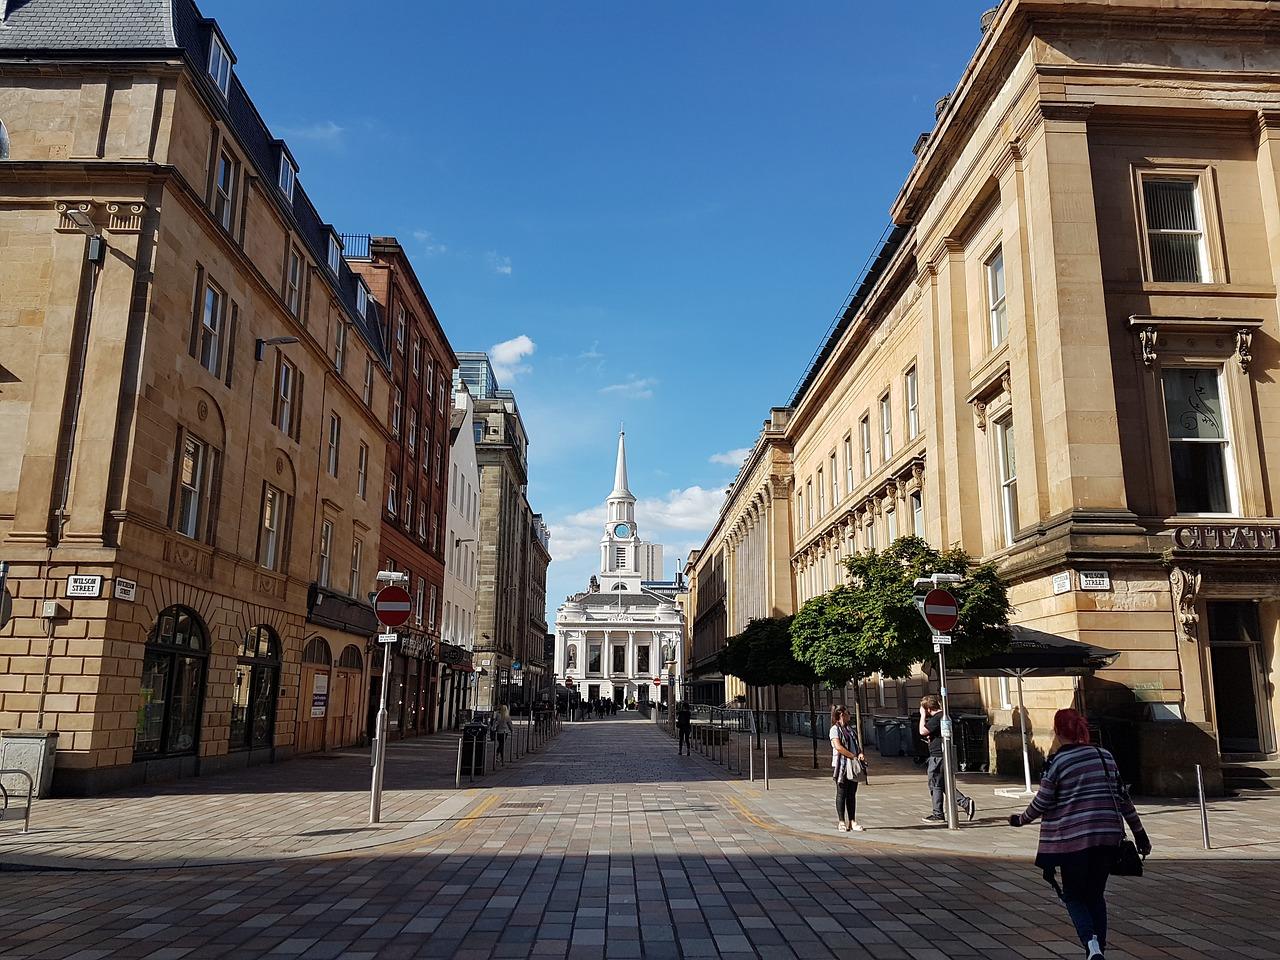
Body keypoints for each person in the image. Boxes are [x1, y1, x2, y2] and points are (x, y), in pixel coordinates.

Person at [1008, 708, 1150, 960]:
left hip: (1072, 841)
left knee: (1073, 896)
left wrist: (1020, 820)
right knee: (1095, 895)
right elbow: (1123, 798)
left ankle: (1091, 944)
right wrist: (1139, 833)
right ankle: (1099, 950)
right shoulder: (1104, 756)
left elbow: (1042, 802)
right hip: (1107, 837)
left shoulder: (1058, 762)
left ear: (1057, 731)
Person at [919, 695, 976, 823]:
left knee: (935, 784)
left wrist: (922, 716)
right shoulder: (945, 717)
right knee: (944, 784)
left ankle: (938, 814)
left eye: (924, 709)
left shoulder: (937, 718)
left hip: (938, 756)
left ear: (928, 708)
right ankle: (965, 803)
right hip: (944, 754)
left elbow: (922, 731)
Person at [829, 705, 867, 832]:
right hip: (841, 765)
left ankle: (852, 821)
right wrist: (852, 755)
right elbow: (838, 746)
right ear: (841, 715)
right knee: (841, 793)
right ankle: (841, 822)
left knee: (852, 794)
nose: (849, 715)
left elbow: (856, 744)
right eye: (848, 713)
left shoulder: (850, 729)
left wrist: (860, 753)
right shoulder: (834, 729)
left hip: (853, 764)